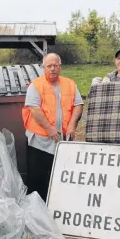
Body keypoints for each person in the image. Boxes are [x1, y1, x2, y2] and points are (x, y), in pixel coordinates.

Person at [22, 53, 84, 201]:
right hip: (39, 142)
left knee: (60, 178)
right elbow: (34, 108)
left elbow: (78, 105)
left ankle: (58, 209)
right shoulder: (35, 85)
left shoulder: (70, 84)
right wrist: (49, 128)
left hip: (63, 141)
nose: (52, 69)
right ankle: (36, 213)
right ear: (43, 68)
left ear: (60, 67)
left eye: (55, 65)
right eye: (49, 66)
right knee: (37, 180)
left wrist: (72, 125)